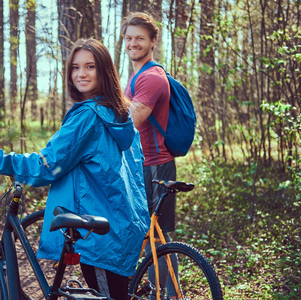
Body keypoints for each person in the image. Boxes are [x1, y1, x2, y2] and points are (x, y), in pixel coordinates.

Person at [0, 38, 150, 300]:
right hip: (120, 226)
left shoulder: (89, 116)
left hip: (103, 236)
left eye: (90, 67)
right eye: (75, 68)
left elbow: (45, 167)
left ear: (105, 71)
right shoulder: (120, 114)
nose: (81, 74)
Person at [121, 12, 179, 300]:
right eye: (129, 38)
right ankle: (156, 292)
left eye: (140, 38)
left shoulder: (152, 77)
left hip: (156, 166)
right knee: (148, 238)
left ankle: (169, 295)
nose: (133, 43)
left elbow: (131, 121)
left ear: (153, 41)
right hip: (141, 166)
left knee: (160, 238)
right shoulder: (136, 76)